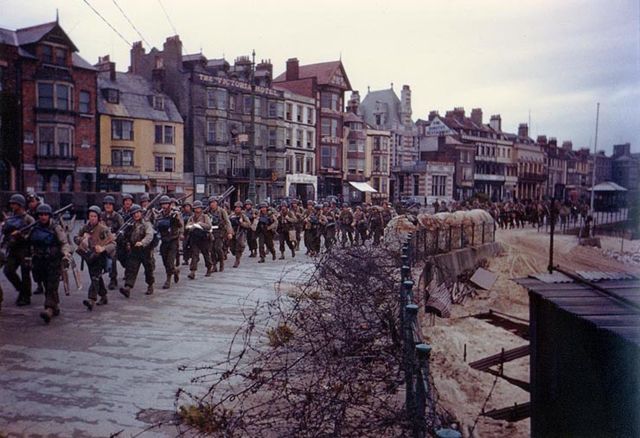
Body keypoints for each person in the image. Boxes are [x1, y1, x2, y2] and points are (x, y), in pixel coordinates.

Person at [29, 204, 71, 324]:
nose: (43, 217)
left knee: (52, 285)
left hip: (53, 261)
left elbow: (64, 242)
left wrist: (66, 254)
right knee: (45, 284)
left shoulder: (56, 228)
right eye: (41, 215)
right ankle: (55, 306)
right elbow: (28, 241)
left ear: (49, 216)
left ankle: (49, 309)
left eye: (45, 215)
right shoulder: (34, 227)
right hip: (39, 261)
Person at [76, 205, 115, 310]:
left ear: (98, 217)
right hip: (89, 256)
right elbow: (76, 238)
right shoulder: (85, 227)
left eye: (94, 216)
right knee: (96, 277)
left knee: (95, 277)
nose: (92, 218)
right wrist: (83, 239)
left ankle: (91, 299)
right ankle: (104, 296)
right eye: (90, 216)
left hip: (100, 257)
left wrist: (103, 248)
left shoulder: (103, 229)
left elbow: (113, 243)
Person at [2, 194, 34, 306]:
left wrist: (20, 235)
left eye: (14, 203)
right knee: (8, 270)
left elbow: (32, 235)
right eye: (11, 203)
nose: (12, 205)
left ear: (20, 205)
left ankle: (26, 297)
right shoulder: (11, 217)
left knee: (25, 274)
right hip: (13, 249)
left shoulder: (28, 219)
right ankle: (22, 290)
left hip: (25, 249)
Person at [119, 204, 155, 298]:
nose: (136, 215)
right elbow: (126, 235)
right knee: (131, 268)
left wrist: (142, 242)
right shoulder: (130, 224)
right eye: (134, 214)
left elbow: (149, 235)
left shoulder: (146, 223)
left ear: (141, 213)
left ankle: (150, 285)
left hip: (145, 249)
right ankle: (128, 287)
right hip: (134, 249)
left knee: (148, 269)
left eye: (138, 213)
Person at [154, 195, 184, 289]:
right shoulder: (159, 214)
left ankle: (168, 280)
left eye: (166, 204)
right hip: (164, 240)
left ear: (169, 204)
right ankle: (175, 271)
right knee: (165, 262)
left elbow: (180, 225)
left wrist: (175, 218)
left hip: (173, 240)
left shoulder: (175, 213)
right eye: (162, 204)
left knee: (170, 262)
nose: (164, 206)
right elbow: (156, 225)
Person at [185, 200, 213, 279]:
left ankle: (209, 268)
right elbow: (187, 226)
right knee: (194, 255)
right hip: (194, 238)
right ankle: (192, 271)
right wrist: (191, 226)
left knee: (206, 254)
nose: (197, 210)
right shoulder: (191, 217)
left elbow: (209, 226)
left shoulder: (205, 217)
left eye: (198, 208)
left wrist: (200, 224)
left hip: (204, 238)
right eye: (195, 208)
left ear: (201, 209)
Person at [101, 195, 124, 290]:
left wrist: (116, 238)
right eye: (106, 204)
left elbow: (123, 229)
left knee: (113, 257)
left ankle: (113, 279)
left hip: (114, 242)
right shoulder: (101, 216)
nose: (108, 206)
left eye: (110, 204)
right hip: (102, 242)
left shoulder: (117, 216)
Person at [207, 196, 233, 272]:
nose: (212, 204)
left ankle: (221, 263)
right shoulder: (208, 212)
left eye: (214, 202)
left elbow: (227, 222)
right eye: (211, 203)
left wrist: (229, 232)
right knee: (211, 250)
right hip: (211, 232)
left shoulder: (222, 211)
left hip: (220, 232)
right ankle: (214, 265)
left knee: (218, 248)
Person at [228, 201, 252, 268]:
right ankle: (236, 254)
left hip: (241, 232)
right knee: (232, 248)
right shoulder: (231, 216)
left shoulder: (243, 216)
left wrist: (241, 223)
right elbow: (227, 223)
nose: (237, 209)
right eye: (236, 207)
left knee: (239, 246)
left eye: (239, 207)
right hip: (233, 232)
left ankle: (237, 260)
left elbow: (249, 224)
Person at [180, 201, 193, 266]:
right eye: (185, 207)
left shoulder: (192, 215)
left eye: (188, 206)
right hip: (185, 232)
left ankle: (193, 259)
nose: (187, 208)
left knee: (192, 246)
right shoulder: (182, 215)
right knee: (184, 246)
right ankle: (185, 259)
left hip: (191, 232)